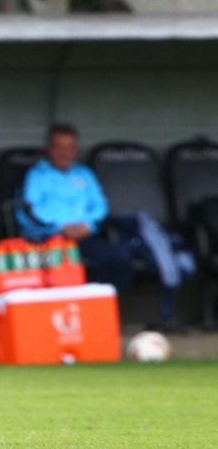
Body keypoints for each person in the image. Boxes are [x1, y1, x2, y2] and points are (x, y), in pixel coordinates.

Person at [18, 124, 191, 325]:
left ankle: (103, 316)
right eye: (59, 147)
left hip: (85, 236)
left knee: (117, 257)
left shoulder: (84, 174)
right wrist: (60, 227)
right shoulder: (37, 175)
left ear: (75, 149)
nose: (65, 153)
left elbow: (100, 206)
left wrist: (87, 225)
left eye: (70, 147)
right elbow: (31, 208)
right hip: (49, 238)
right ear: (49, 149)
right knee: (62, 267)